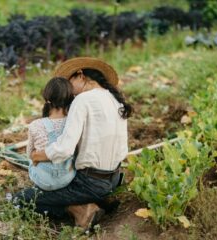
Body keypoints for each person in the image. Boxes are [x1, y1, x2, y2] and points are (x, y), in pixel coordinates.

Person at [14, 57, 132, 230]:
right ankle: (99, 199)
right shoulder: (115, 100)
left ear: (80, 75)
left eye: (69, 84)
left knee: (21, 198)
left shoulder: (82, 100)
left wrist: (36, 155)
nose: (69, 92)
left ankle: (81, 209)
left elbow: (64, 149)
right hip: (113, 178)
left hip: (90, 183)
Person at [27, 77, 76, 191]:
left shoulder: (36, 125)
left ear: (47, 99)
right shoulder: (73, 123)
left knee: (31, 158)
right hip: (67, 178)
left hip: (43, 181)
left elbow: (30, 154)